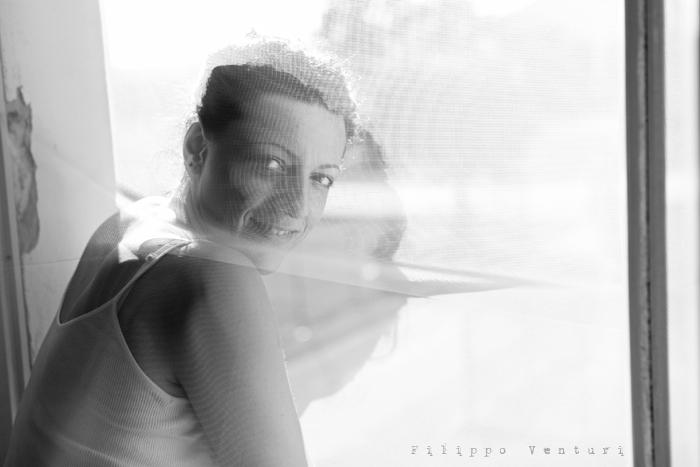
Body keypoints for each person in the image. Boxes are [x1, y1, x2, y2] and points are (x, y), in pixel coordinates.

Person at [4, 37, 360, 467]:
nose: (298, 207)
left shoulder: (130, 222)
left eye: (321, 179)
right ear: (197, 149)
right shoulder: (212, 275)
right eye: (272, 164)